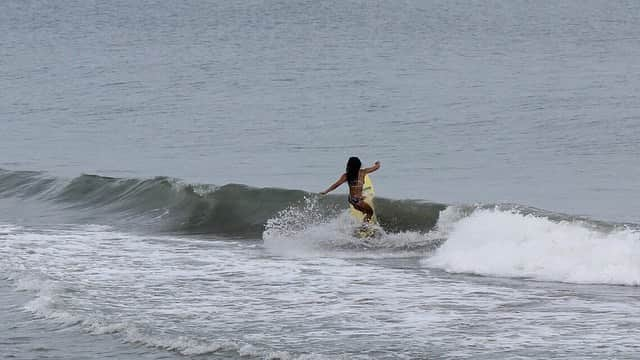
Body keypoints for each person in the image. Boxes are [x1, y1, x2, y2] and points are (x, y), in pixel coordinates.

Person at [320, 157, 381, 222]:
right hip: (358, 200)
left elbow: (336, 184)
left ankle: (363, 216)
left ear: (348, 166)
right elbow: (376, 167)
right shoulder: (363, 172)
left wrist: (326, 191)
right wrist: (378, 163)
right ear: (359, 165)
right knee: (370, 213)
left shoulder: (347, 176)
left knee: (364, 210)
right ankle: (364, 227)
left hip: (351, 199)